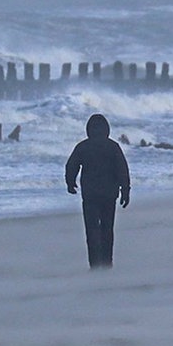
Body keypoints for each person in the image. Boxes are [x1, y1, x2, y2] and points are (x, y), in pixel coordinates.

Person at [65, 113, 131, 268]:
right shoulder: (112, 146)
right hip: (109, 195)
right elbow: (122, 170)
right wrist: (125, 191)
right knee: (107, 230)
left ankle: (94, 264)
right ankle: (107, 263)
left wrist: (70, 183)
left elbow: (71, 166)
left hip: (90, 195)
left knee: (92, 230)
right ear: (106, 129)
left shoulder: (83, 146)